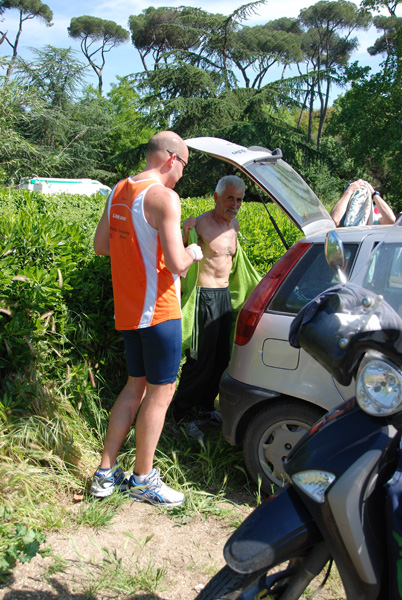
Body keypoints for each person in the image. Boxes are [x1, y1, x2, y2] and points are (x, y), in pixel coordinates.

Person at [90, 131, 203, 505]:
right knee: (161, 392)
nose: (183, 175)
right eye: (185, 165)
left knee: (134, 385)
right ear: (172, 159)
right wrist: (194, 251)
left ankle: (104, 475)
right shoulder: (165, 198)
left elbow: (102, 246)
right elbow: (177, 264)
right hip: (159, 312)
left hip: (129, 311)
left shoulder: (118, 190)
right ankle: (142, 480)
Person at [172, 175, 258, 439]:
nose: (235, 204)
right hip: (202, 298)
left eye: (240, 199)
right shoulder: (199, 224)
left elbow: (234, 266)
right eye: (230, 198)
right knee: (199, 359)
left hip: (224, 299)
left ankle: (204, 408)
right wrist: (184, 232)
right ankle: (180, 415)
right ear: (216, 197)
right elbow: (180, 257)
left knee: (221, 358)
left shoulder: (235, 225)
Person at [331, 179, 396, 227]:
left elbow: (391, 220)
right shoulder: (343, 218)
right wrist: (349, 191)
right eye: (356, 194)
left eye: (364, 195)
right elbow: (334, 220)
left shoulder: (373, 219)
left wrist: (374, 194)